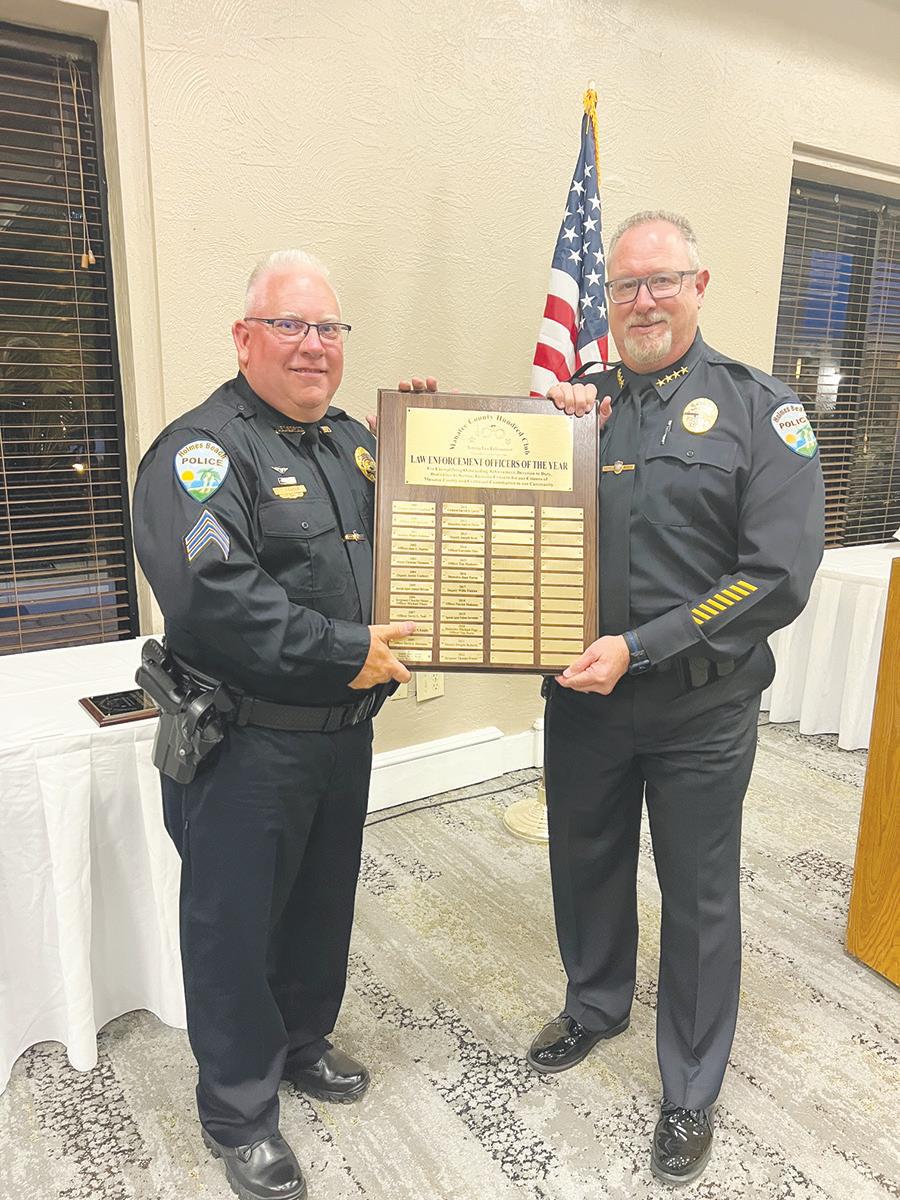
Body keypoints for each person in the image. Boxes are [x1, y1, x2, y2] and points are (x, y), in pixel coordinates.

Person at [527, 211, 826, 1185]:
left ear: (700, 286)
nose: (643, 301)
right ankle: (595, 1003)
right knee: (585, 862)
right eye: (626, 285)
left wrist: (643, 646)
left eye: (663, 281)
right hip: (584, 700)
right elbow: (496, 511)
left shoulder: (760, 410)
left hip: (700, 707)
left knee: (698, 896)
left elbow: (775, 576)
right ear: (606, 300)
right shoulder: (581, 411)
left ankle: (691, 1086)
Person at [132, 250, 415, 1200]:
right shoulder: (200, 454)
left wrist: (427, 441)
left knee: (320, 905)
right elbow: (217, 598)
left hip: (342, 731)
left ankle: (301, 1043)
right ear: (244, 337)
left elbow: (414, 536)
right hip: (246, 743)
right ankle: (240, 1111)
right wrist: (343, 648)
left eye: (327, 328)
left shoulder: (351, 442)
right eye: (289, 326)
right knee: (234, 928)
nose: (312, 346)